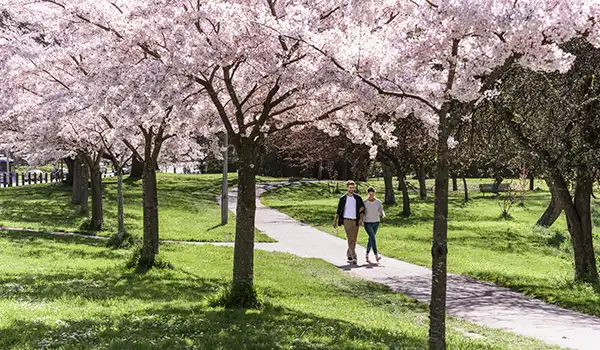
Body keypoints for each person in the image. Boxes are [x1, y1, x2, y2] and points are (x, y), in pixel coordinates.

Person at [333, 180, 365, 264]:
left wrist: (361, 219)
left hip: (356, 220)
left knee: (354, 239)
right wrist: (335, 221)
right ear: (347, 188)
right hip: (346, 220)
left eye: (353, 188)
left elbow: (362, 209)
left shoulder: (358, 198)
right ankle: (354, 255)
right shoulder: (343, 199)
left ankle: (349, 253)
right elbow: (338, 211)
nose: (351, 189)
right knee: (350, 238)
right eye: (350, 188)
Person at [363, 186, 386, 263]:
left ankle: (367, 254)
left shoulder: (378, 202)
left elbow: (381, 210)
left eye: (372, 194)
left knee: (371, 239)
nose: (371, 196)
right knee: (372, 237)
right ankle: (376, 255)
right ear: (368, 194)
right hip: (367, 222)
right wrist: (361, 220)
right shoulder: (365, 202)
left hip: (376, 222)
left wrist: (383, 215)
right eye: (370, 194)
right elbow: (362, 213)